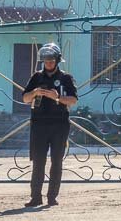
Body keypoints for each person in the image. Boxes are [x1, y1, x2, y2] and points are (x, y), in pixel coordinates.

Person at [21, 43, 78, 207]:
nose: (49, 64)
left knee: (56, 161)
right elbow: (25, 98)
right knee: (38, 161)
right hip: (39, 125)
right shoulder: (36, 77)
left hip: (59, 125)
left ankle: (52, 197)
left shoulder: (66, 78)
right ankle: (35, 197)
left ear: (57, 61)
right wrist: (35, 92)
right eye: (46, 61)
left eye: (52, 61)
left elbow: (73, 100)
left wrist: (57, 97)